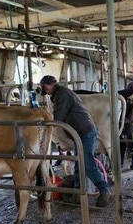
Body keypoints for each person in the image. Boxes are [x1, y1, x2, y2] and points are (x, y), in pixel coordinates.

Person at [40, 75, 112, 207]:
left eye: (46, 89)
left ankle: (105, 190)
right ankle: (78, 195)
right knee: (79, 164)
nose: (47, 92)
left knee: (87, 163)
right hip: (80, 132)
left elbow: (59, 116)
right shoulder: (62, 93)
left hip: (84, 132)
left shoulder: (61, 95)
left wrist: (46, 124)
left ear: (48, 85)